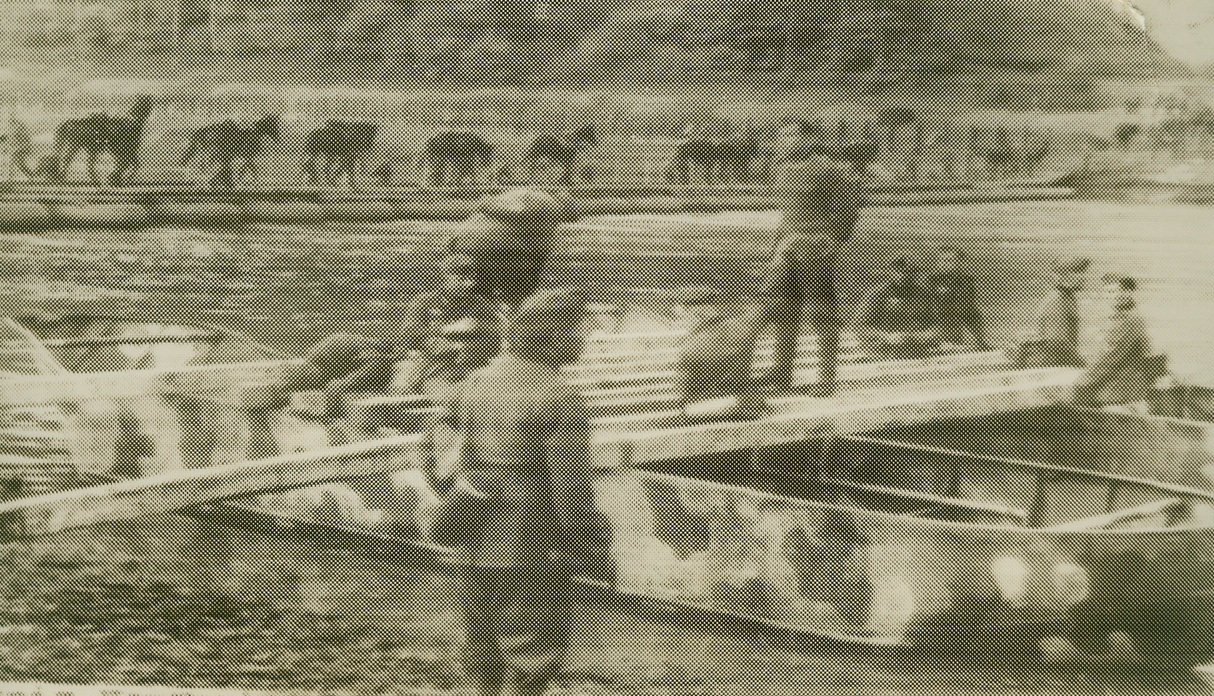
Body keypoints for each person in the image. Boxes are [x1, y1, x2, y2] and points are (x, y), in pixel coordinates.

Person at [446, 288, 613, 696]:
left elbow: (450, 452)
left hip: (475, 530)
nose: (585, 339)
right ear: (554, 337)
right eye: (581, 329)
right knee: (533, 655)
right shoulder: (561, 396)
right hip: (533, 541)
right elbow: (570, 487)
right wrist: (591, 546)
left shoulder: (477, 380)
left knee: (482, 647)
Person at [240, 252, 502, 456]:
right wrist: (442, 341)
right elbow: (409, 335)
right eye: (458, 276)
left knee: (393, 379)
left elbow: (490, 347)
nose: (465, 283)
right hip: (408, 357)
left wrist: (452, 347)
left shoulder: (482, 310)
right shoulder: (425, 302)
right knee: (337, 344)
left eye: (470, 278)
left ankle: (351, 413)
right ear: (446, 277)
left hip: (440, 371)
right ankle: (282, 388)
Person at [748, 149, 866, 397]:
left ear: (808, 139)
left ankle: (826, 379)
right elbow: (785, 218)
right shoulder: (783, 169)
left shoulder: (828, 169)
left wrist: (831, 238)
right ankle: (782, 373)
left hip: (816, 247)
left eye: (792, 134)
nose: (785, 140)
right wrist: (774, 251)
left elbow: (850, 209)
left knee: (821, 310)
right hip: (787, 246)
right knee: (782, 307)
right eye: (783, 135)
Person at [445, 187, 565, 311]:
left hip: (467, 243)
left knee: (479, 289)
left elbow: (489, 209)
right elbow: (539, 253)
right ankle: (508, 309)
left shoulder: (519, 196)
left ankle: (480, 310)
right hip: (487, 247)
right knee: (511, 284)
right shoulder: (547, 204)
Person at [1073, 274, 1162, 408]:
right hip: (1118, 387)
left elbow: (1111, 356)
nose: (1111, 296)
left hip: (1121, 392)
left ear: (1128, 293)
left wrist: (1085, 381)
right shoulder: (1120, 317)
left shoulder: (1129, 320)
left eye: (1114, 291)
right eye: (1107, 292)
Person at [855, 255, 939, 360]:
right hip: (883, 352)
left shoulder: (924, 294)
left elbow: (936, 325)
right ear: (890, 272)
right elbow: (859, 327)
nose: (903, 275)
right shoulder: (877, 294)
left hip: (918, 350)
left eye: (909, 271)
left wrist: (923, 336)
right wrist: (886, 337)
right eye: (898, 270)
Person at [1012, 256, 1089, 368]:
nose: (1083, 278)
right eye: (1077, 273)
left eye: (1083, 272)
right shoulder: (1058, 301)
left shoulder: (1067, 296)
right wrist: (1081, 365)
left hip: (1056, 361)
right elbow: (1057, 345)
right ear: (1064, 277)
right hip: (1053, 366)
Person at [927, 246, 990, 351]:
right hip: (934, 318)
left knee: (969, 312)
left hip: (954, 317)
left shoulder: (967, 280)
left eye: (949, 260)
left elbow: (966, 305)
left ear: (959, 263)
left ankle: (978, 342)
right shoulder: (932, 280)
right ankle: (941, 342)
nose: (944, 263)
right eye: (941, 260)